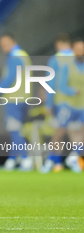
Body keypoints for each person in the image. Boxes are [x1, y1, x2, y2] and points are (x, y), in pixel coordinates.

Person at [0, 33, 33, 171]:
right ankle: (12, 159)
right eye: (2, 44)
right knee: (16, 129)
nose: (4, 47)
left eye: (6, 43)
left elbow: (9, 78)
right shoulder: (23, 54)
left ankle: (26, 159)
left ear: (13, 41)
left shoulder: (14, 56)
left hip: (14, 99)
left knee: (14, 130)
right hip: (24, 97)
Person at [41, 34, 74, 173]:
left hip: (62, 102)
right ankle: (67, 160)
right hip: (78, 103)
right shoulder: (77, 57)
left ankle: (52, 160)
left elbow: (51, 83)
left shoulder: (56, 59)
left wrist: (49, 104)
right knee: (75, 133)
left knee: (59, 132)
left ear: (58, 44)